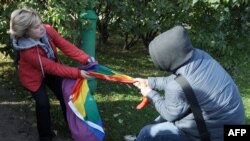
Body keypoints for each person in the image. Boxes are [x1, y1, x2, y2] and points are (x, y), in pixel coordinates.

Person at [124, 25, 245, 141]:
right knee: (158, 122)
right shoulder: (200, 56)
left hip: (214, 135)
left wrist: (150, 94)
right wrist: (149, 82)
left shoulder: (176, 86)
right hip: (234, 127)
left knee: (147, 133)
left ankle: (142, 138)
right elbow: (180, 80)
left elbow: (169, 114)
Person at [9, 7, 95, 141]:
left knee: (64, 94)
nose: (41, 28)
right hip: (33, 77)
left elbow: (65, 45)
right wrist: (78, 73)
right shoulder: (28, 52)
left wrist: (85, 58)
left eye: (40, 23)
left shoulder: (47, 30)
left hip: (49, 68)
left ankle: (72, 125)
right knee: (43, 103)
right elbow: (52, 67)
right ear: (26, 32)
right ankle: (45, 136)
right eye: (36, 27)